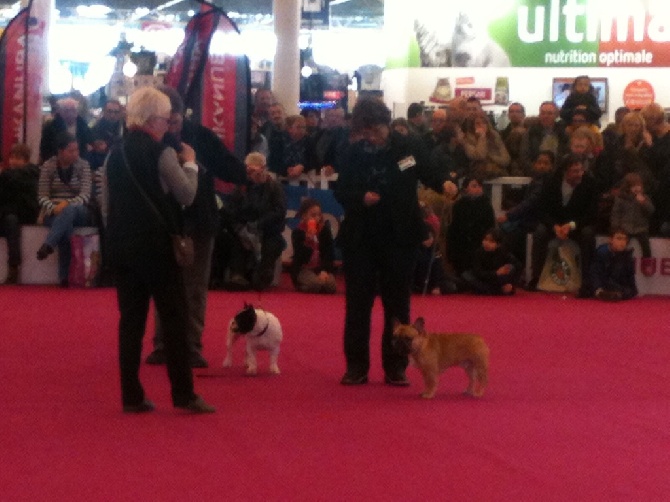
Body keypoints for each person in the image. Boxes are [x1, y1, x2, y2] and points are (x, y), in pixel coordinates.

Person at [102, 86, 214, 414]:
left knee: (130, 323)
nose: (168, 125)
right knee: (175, 320)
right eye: (165, 119)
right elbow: (186, 195)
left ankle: (131, 395)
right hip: (157, 248)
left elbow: (106, 205)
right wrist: (191, 164)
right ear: (153, 120)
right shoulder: (162, 152)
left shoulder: (115, 152)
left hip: (122, 246)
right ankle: (184, 394)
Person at [334, 97, 457, 386]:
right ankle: (356, 366)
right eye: (366, 131)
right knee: (357, 305)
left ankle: (396, 367)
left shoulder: (409, 147)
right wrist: (360, 198)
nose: (372, 136)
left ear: (387, 124)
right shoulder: (351, 152)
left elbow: (430, 171)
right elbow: (341, 190)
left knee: (398, 306)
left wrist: (446, 183)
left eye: (376, 129)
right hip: (361, 237)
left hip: (401, 237)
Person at [145, 86, 246, 369]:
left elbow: (230, 168)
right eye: (164, 121)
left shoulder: (201, 136)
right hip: (165, 221)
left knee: (194, 287)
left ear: (179, 115)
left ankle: (190, 346)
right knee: (164, 284)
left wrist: (246, 173)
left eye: (173, 121)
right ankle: (163, 345)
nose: (169, 127)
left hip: (200, 221)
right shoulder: (152, 141)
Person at [529, 154, 598, 296]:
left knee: (588, 234)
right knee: (540, 232)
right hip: (554, 224)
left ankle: (586, 282)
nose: (580, 174)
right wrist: (554, 226)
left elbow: (592, 213)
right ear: (565, 172)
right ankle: (536, 277)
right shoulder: (550, 182)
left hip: (577, 225)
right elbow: (542, 209)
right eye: (575, 171)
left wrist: (571, 226)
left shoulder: (590, 183)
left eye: (581, 170)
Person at [36, 132, 93, 287]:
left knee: (70, 211)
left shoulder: (84, 165)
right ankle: (64, 278)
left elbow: (85, 195)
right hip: (53, 211)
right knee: (65, 227)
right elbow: (42, 196)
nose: (76, 153)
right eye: (71, 150)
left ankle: (49, 244)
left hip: (79, 210)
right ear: (60, 151)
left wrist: (66, 204)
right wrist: (54, 208)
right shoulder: (48, 166)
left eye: (77, 150)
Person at [226, 152, 287, 291]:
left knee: (272, 244)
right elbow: (232, 210)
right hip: (245, 229)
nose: (251, 175)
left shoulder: (274, 187)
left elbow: (279, 212)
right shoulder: (241, 187)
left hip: (268, 231)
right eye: (249, 171)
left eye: (254, 171)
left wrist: (258, 224)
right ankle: (237, 274)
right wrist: (241, 228)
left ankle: (263, 273)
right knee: (235, 240)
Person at [497, 150, 555, 263]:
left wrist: (510, 215)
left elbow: (531, 201)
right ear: (534, 164)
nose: (542, 166)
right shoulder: (536, 179)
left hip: (537, 220)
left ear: (551, 166)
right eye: (539, 162)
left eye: (546, 163)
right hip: (529, 219)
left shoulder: (546, 181)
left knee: (509, 238)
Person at [0, 144, 40, 284]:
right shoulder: (7, 176)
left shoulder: (31, 175)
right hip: (8, 214)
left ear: (26, 160)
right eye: (11, 158)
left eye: (17, 158)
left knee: (11, 221)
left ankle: (13, 266)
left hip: (23, 214)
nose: (13, 161)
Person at [447, 176, 496, 275]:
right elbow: (454, 228)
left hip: (479, 243)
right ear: (465, 188)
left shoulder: (486, 205)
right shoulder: (458, 205)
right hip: (462, 245)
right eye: (474, 186)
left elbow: (490, 227)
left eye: (479, 186)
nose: (478, 188)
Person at [290, 197, 337, 294]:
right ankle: (303, 285)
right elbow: (299, 257)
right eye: (313, 215)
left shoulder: (324, 231)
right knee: (315, 284)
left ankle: (318, 284)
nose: (316, 218)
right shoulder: (298, 232)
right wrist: (307, 242)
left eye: (319, 215)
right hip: (304, 269)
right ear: (304, 216)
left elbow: (329, 254)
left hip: (319, 268)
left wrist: (325, 270)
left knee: (331, 285)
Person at [461, 227, 521, 295]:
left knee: (511, 267)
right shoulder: (478, 253)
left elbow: (518, 266)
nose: (487, 243)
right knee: (466, 275)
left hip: (498, 280)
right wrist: (496, 273)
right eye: (485, 240)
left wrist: (512, 284)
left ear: (498, 244)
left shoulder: (503, 252)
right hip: (484, 279)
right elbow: (478, 273)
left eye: (491, 241)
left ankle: (495, 290)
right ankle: (496, 291)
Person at [610, 172, 654, 258]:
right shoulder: (621, 198)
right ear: (628, 187)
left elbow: (651, 211)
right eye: (634, 186)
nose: (637, 188)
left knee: (646, 246)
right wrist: (616, 228)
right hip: (625, 228)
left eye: (639, 185)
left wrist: (643, 203)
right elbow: (616, 213)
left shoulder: (644, 198)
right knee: (620, 245)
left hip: (641, 228)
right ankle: (618, 260)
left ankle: (647, 262)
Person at [587, 228, 637, 301]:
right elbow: (595, 274)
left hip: (619, 287)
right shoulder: (601, 253)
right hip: (603, 285)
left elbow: (631, 281)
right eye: (619, 238)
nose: (622, 242)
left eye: (624, 239)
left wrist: (625, 292)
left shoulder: (627, 257)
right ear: (611, 240)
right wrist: (598, 290)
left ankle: (616, 295)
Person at [519, 101, 569, 175]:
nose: (546, 116)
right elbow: (524, 156)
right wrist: (535, 170)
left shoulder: (563, 134)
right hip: (534, 174)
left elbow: (566, 155)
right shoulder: (531, 133)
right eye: (543, 113)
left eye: (549, 113)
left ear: (556, 115)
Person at [39, 97, 94, 162]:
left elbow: (90, 142)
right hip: (56, 163)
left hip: (80, 162)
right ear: (61, 112)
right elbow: (45, 149)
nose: (70, 113)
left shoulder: (83, 125)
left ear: (77, 112)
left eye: (73, 110)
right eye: (67, 110)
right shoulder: (51, 127)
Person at [461, 111, 510, 179]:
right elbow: (479, 156)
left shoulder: (494, 135)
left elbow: (506, 160)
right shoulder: (468, 139)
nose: (481, 125)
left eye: (484, 122)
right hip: (477, 174)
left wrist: (490, 157)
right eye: (478, 123)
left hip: (497, 169)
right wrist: (482, 137)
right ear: (472, 125)